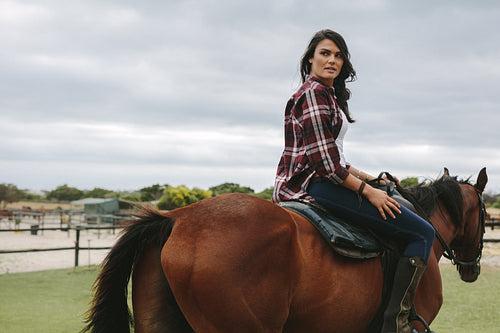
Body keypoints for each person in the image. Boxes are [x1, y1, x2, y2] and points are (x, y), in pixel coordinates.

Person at [272, 29, 436, 333]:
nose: (332, 60)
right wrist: (369, 193)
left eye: (338, 55)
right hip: (317, 186)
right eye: (324, 53)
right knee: (423, 233)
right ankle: (397, 324)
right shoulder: (314, 94)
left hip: (320, 180)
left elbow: (336, 159)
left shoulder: (326, 95)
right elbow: (327, 167)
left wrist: (372, 178)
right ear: (310, 58)